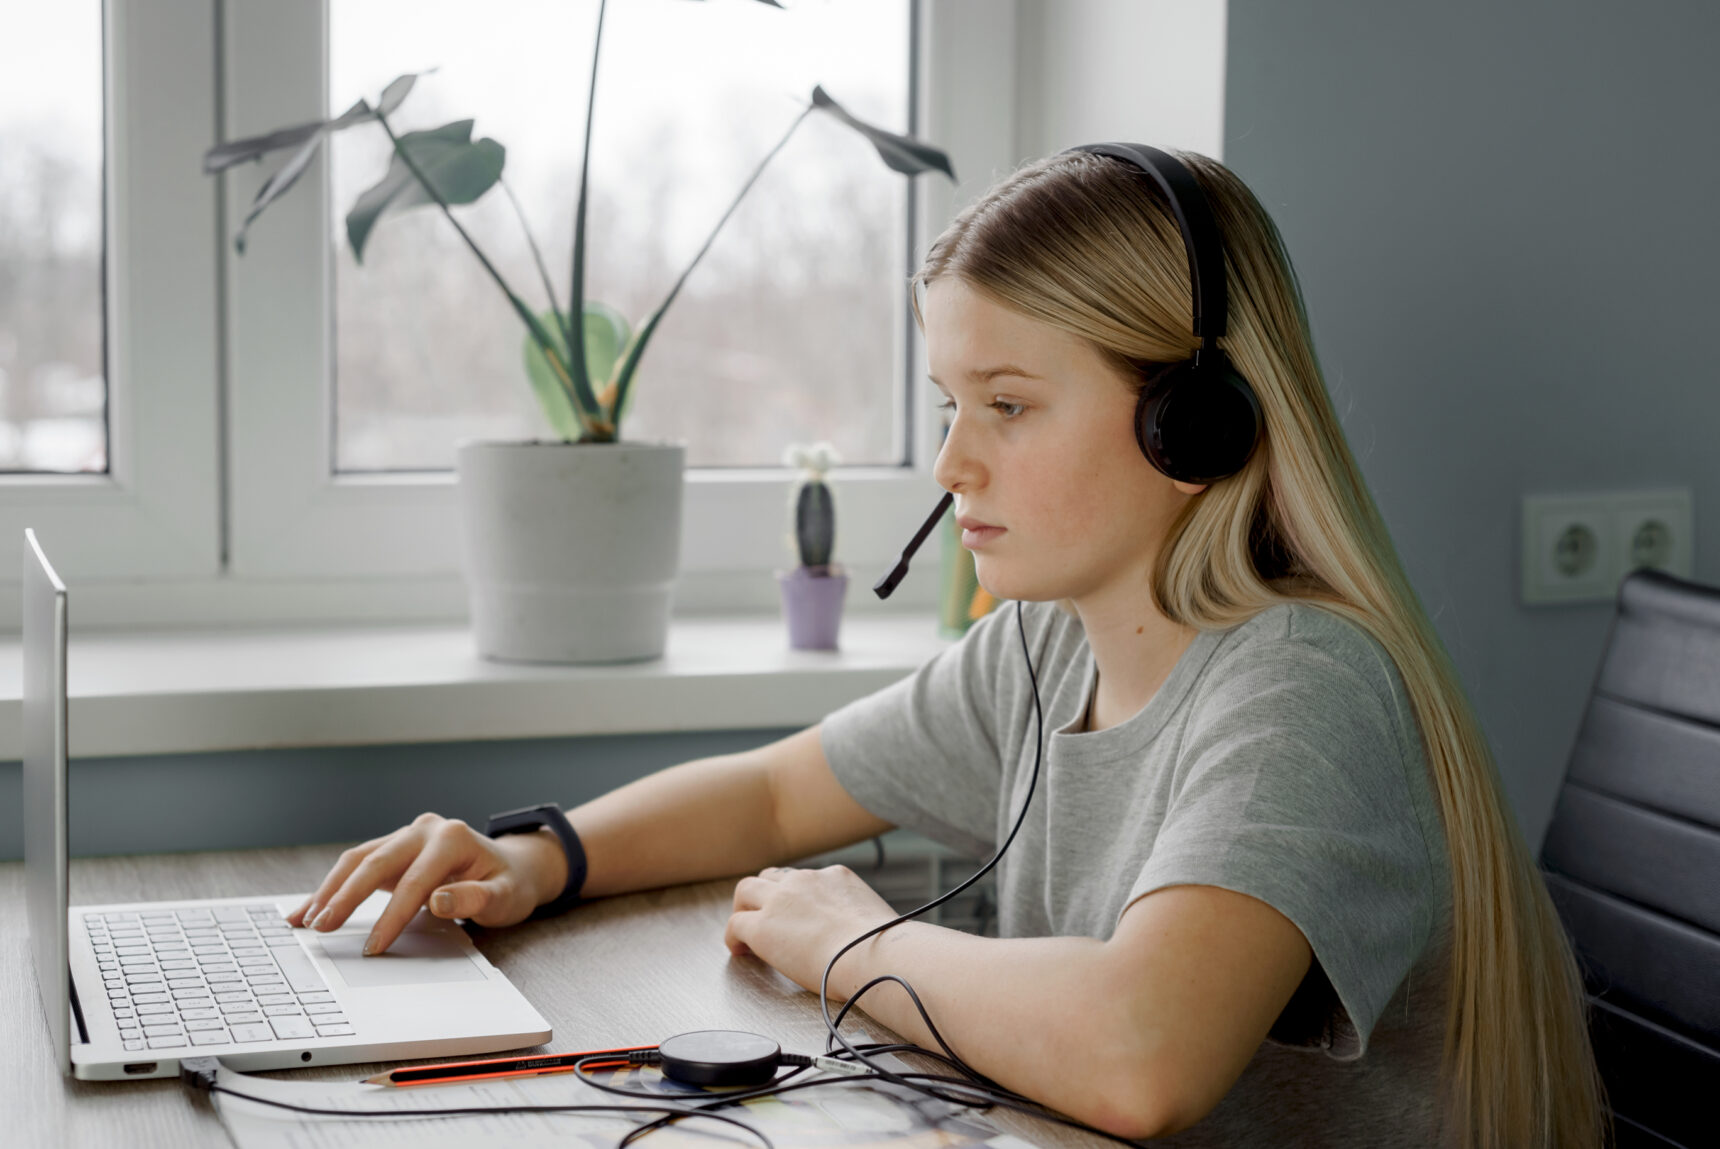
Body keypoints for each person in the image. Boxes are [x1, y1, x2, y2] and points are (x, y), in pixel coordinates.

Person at [287, 148, 1605, 1148]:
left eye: (1010, 405)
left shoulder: (1300, 689)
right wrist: (537, 856)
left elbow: (1143, 1055)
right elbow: (777, 790)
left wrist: (848, 939)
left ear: (1194, 424)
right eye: (949, 402)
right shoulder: (1040, 645)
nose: (951, 461)